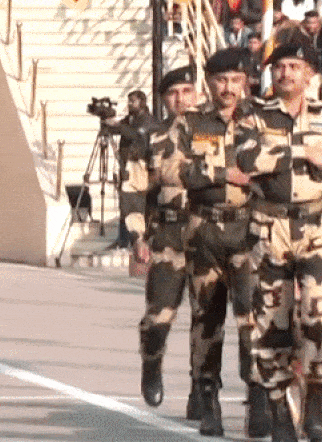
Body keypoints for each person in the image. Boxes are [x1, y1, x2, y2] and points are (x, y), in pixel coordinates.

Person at [236, 43, 322, 442]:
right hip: (268, 230)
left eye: (294, 66)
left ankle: (316, 408)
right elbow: (247, 159)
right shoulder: (253, 114)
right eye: (279, 67)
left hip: (315, 230)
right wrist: (302, 150)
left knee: (320, 320)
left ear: (309, 75)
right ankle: (278, 412)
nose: (285, 73)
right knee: (271, 327)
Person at [166, 47, 271, 438]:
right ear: (208, 83)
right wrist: (221, 172)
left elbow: (277, 166)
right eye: (221, 80)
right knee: (207, 319)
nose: (228, 88)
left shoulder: (262, 120)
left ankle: (257, 397)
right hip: (205, 232)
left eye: (236, 80)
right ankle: (207, 396)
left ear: (246, 82)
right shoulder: (190, 122)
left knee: (252, 318)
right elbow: (171, 169)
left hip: (248, 232)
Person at [124, 66, 198, 411]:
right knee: (159, 317)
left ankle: (203, 390)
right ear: (164, 99)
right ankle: (151, 363)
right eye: (173, 93)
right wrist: (138, 235)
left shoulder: (216, 133)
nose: (181, 99)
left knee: (207, 319)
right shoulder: (150, 139)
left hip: (209, 234)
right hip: (169, 235)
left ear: (197, 94)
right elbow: (134, 189)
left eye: (187, 91)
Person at [107, 90, 156, 249]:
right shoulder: (130, 119)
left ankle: (136, 240)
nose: (129, 104)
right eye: (129, 101)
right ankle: (123, 239)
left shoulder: (147, 120)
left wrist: (119, 126)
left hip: (139, 167)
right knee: (124, 202)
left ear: (142, 102)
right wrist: (107, 121)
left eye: (132, 101)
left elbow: (135, 134)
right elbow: (118, 129)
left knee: (135, 204)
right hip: (126, 165)